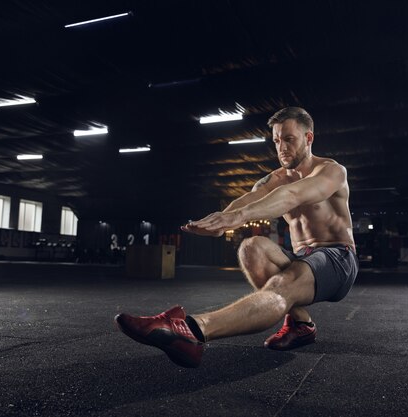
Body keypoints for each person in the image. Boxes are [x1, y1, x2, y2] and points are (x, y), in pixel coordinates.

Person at [115, 107, 358, 367]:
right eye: (276, 140)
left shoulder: (331, 171)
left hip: (337, 257)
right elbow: (248, 200)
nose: (282, 147)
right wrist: (221, 221)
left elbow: (293, 195)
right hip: (301, 257)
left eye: (289, 139)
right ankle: (301, 324)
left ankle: (193, 330)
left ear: (309, 138)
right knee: (251, 248)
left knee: (282, 286)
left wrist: (236, 217)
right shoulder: (275, 179)